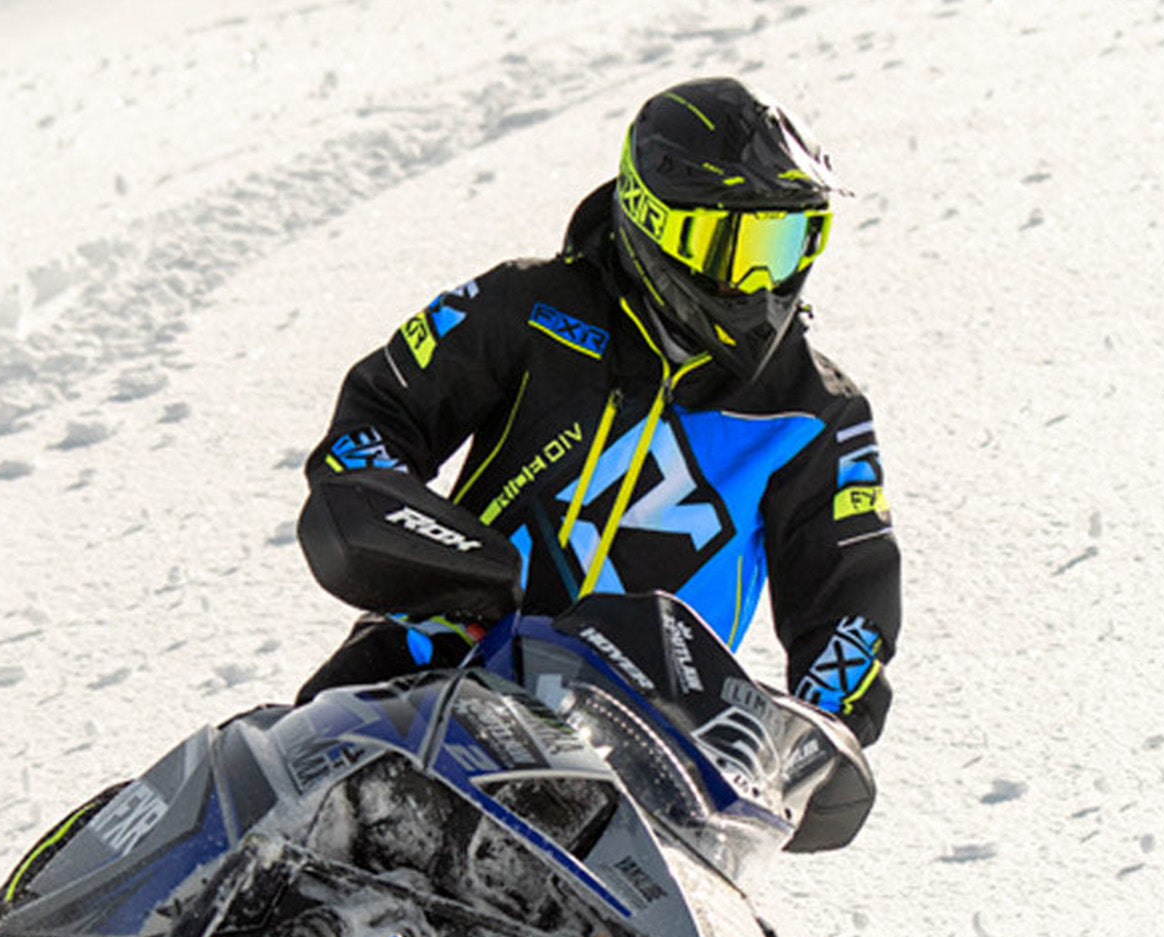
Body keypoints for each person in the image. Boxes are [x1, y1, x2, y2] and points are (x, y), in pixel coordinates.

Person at [295, 76, 901, 747]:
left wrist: (822, 735)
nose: (755, 282)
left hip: (646, 742)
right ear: (651, 218)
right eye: (729, 246)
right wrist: (426, 555)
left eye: (783, 247)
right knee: (289, 762)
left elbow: (849, 600)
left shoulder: (819, 415)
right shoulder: (526, 307)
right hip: (448, 656)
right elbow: (375, 423)